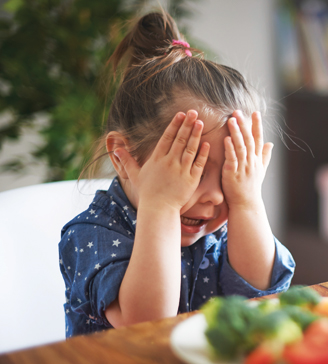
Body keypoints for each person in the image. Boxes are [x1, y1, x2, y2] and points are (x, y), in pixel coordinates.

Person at [59, 11, 295, 338]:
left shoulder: (224, 226)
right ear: (123, 158)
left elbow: (263, 294)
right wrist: (162, 206)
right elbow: (147, 323)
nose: (215, 195)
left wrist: (246, 202)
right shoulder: (93, 233)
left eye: (230, 175)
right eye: (193, 172)